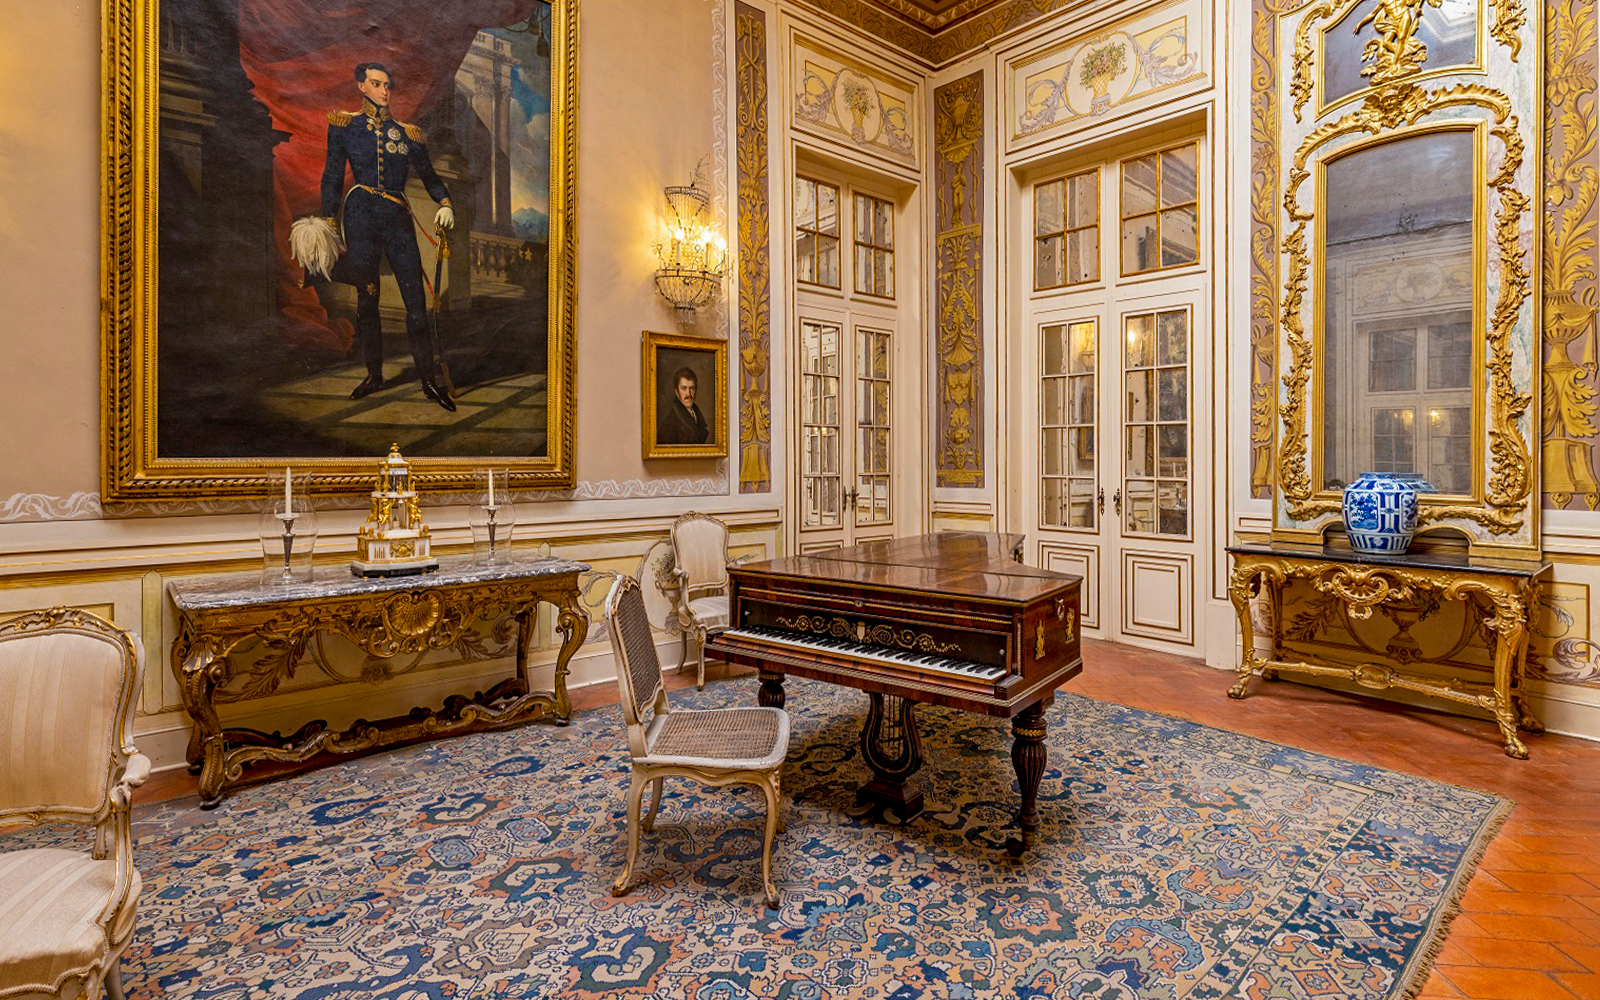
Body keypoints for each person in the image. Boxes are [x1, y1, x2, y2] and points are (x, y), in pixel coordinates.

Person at [319, 62, 457, 410]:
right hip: (361, 216)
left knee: (415, 304)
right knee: (368, 299)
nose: (384, 91)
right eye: (376, 84)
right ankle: (374, 375)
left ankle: (428, 380)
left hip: (397, 218)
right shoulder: (344, 126)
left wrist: (445, 202)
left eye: (388, 85)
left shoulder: (408, 134)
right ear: (361, 87)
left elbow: (429, 176)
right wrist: (327, 219)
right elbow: (332, 175)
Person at [658, 366, 710, 445]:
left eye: (691, 388)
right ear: (677, 392)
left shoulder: (697, 415)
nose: (688, 394)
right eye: (684, 388)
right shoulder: (669, 424)